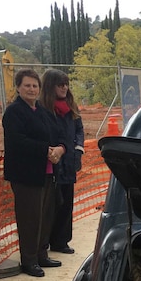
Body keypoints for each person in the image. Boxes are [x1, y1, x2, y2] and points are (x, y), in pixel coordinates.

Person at [2, 69, 66, 277]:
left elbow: (58, 133)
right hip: (26, 175)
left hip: (47, 172)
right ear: (18, 87)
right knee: (30, 218)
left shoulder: (42, 110)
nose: (31, 89)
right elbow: (17, 140)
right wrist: (45, 150)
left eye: (35, 86)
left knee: (45, 216)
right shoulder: (14, 112)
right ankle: (29, 260)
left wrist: (60, 149)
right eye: (27, 85)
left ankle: (41, 254)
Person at [41, 69, 84, 255]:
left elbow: (79, 130)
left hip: (69, 162)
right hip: (52, 163)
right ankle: (45, 241)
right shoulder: (43, 109)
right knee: (52, 203)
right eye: (60, 84)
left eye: (66, 84)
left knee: (66, 202)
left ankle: (61, 241)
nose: (65, 87)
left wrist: (78, 150)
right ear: (51, 86)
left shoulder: (71, 107)